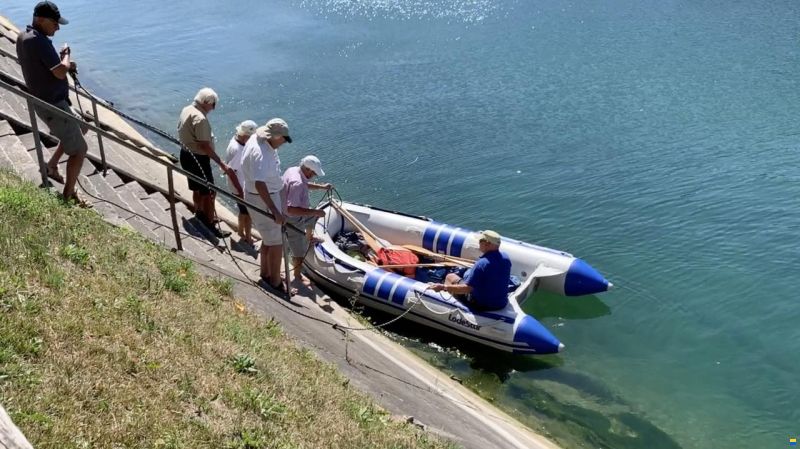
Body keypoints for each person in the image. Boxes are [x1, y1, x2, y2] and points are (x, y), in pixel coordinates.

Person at [16, 1, 88, 205]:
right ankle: (68, 196)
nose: (57, 27)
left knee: (82, 127)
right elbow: (58, 72)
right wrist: (66, 57)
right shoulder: (38, 41)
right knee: (80, 150)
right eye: (55, 23)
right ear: (40, 19)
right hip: (53, 105)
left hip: (48, 101)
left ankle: (52, 165)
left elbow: (45, 66)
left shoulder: (25, 37)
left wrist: (63, 64)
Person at [240, 118, 292, 293]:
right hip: (262, 199)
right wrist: (275, 211)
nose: (284, 142)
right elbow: (260, 184)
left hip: (260, 196)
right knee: (277, 242)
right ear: (276, 137)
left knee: (268, 238)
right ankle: (276, 282)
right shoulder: (260, 152)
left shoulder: (257, 139)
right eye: (284, 139)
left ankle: (266, 272)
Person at [177, 87, 232, 238]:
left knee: (197, 188)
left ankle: (199, 212)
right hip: (198, 159)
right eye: (213, 105)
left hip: (185, 154)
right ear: (206, 102)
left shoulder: (186, 109)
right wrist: (222, 163)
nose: (213, 109)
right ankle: (210, 224)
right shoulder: (200, 118)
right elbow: (204, 146)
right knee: (209, 192)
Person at [430, 230, 511, 311]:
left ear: (487, 244)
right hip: (501, 303)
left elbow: (467, 289)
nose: (478, 243)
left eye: (480, 241)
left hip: (482, 305)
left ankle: (446, 304)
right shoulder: (506, 258)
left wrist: (444, 287)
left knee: (449, 276)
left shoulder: (481, 264)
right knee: (468, 273)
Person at [283, 155, 332, 286]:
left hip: (298, 212)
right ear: (309, 170)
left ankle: (309, 237)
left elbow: (305, 184)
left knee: (312, 217)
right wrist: (315, 212)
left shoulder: (294, 170)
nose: (314, 175)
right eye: (314, 173)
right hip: (292, 218)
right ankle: (297, 276)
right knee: (298, 250)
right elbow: (291, 209)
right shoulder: (297, 183)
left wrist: (321, 187)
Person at [224, 120, 257, 244]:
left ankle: (240, 231)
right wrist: (240, 191)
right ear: (245, 135)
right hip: (239, 187)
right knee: (248, 213)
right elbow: (232, 172)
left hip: (237, 186)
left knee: (242, 211)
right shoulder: (238, 150)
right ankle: (248, 238)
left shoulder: (235, 141)